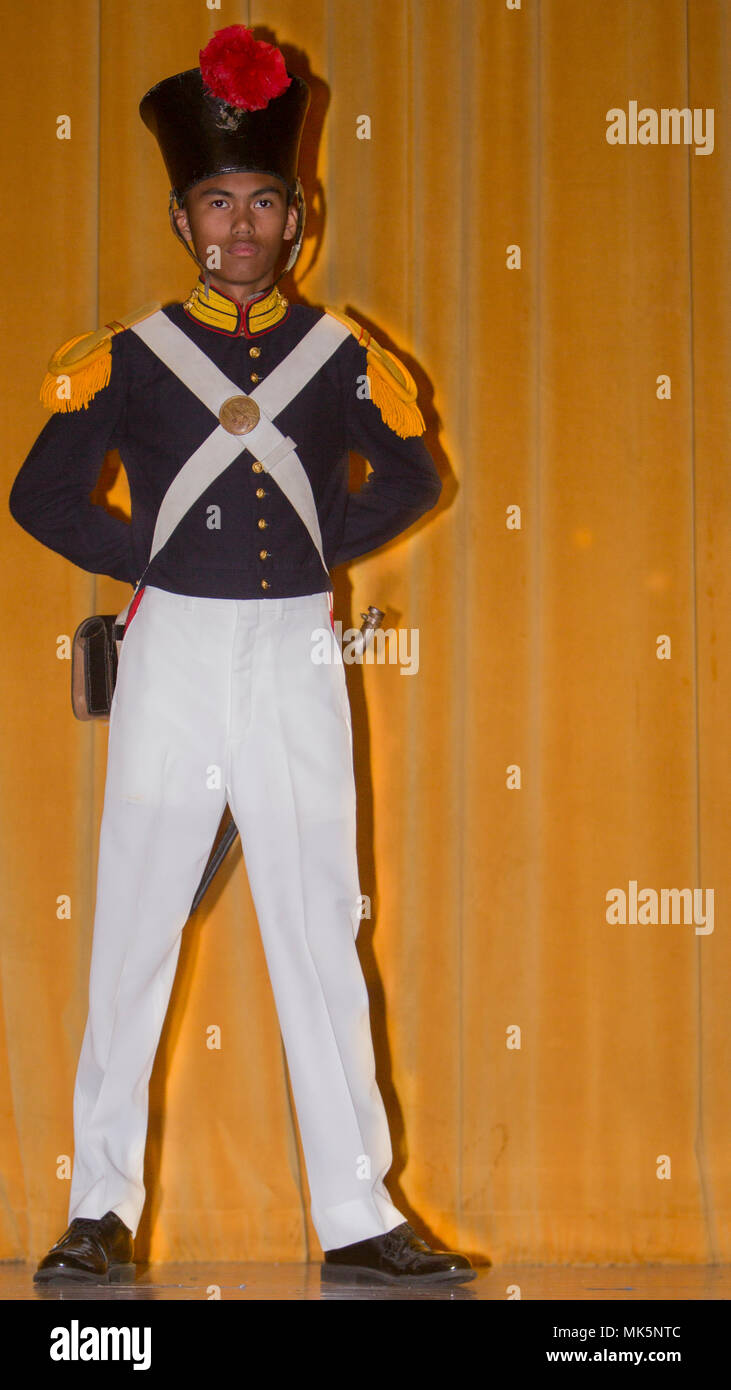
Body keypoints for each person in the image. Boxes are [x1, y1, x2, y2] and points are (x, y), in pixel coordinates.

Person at [10, 24, 474, 1287]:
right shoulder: (132, 354)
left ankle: (358, 1216)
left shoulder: (338, 356)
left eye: (262, 199)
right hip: (173, 655)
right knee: (133, 929)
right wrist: (150, 562)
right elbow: (40, 495)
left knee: (320, 926)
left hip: (292, 655)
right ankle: (99, 1208)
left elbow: (416, 475)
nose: (241, 221)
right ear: (182, 216)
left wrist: (321, 552)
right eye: (217, 199)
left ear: (296, 212)